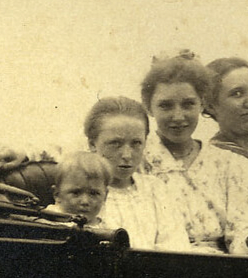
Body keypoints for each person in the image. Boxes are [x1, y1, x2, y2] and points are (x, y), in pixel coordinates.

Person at [140, 51, 248, 254]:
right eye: (166, 106)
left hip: (220, 267)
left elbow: (242, 227)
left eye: (188, 104)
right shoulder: (139, 161)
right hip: (162, 264)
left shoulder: (224, 162)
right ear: (148, 107)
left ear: (201, 103)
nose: (178, 116)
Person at [82, 96, 191, 252]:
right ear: (92, 144)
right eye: (115, 143)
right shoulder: (82, 193)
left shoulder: (155, 189)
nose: (127, 154)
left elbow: (175, 247)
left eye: (136, 143)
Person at [51, 150, 111, 226]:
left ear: (105, 196)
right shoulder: (48, 223)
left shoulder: (106, 227)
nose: (85, 202)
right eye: (76, 193)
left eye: (94, 193)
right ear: (57, 194)